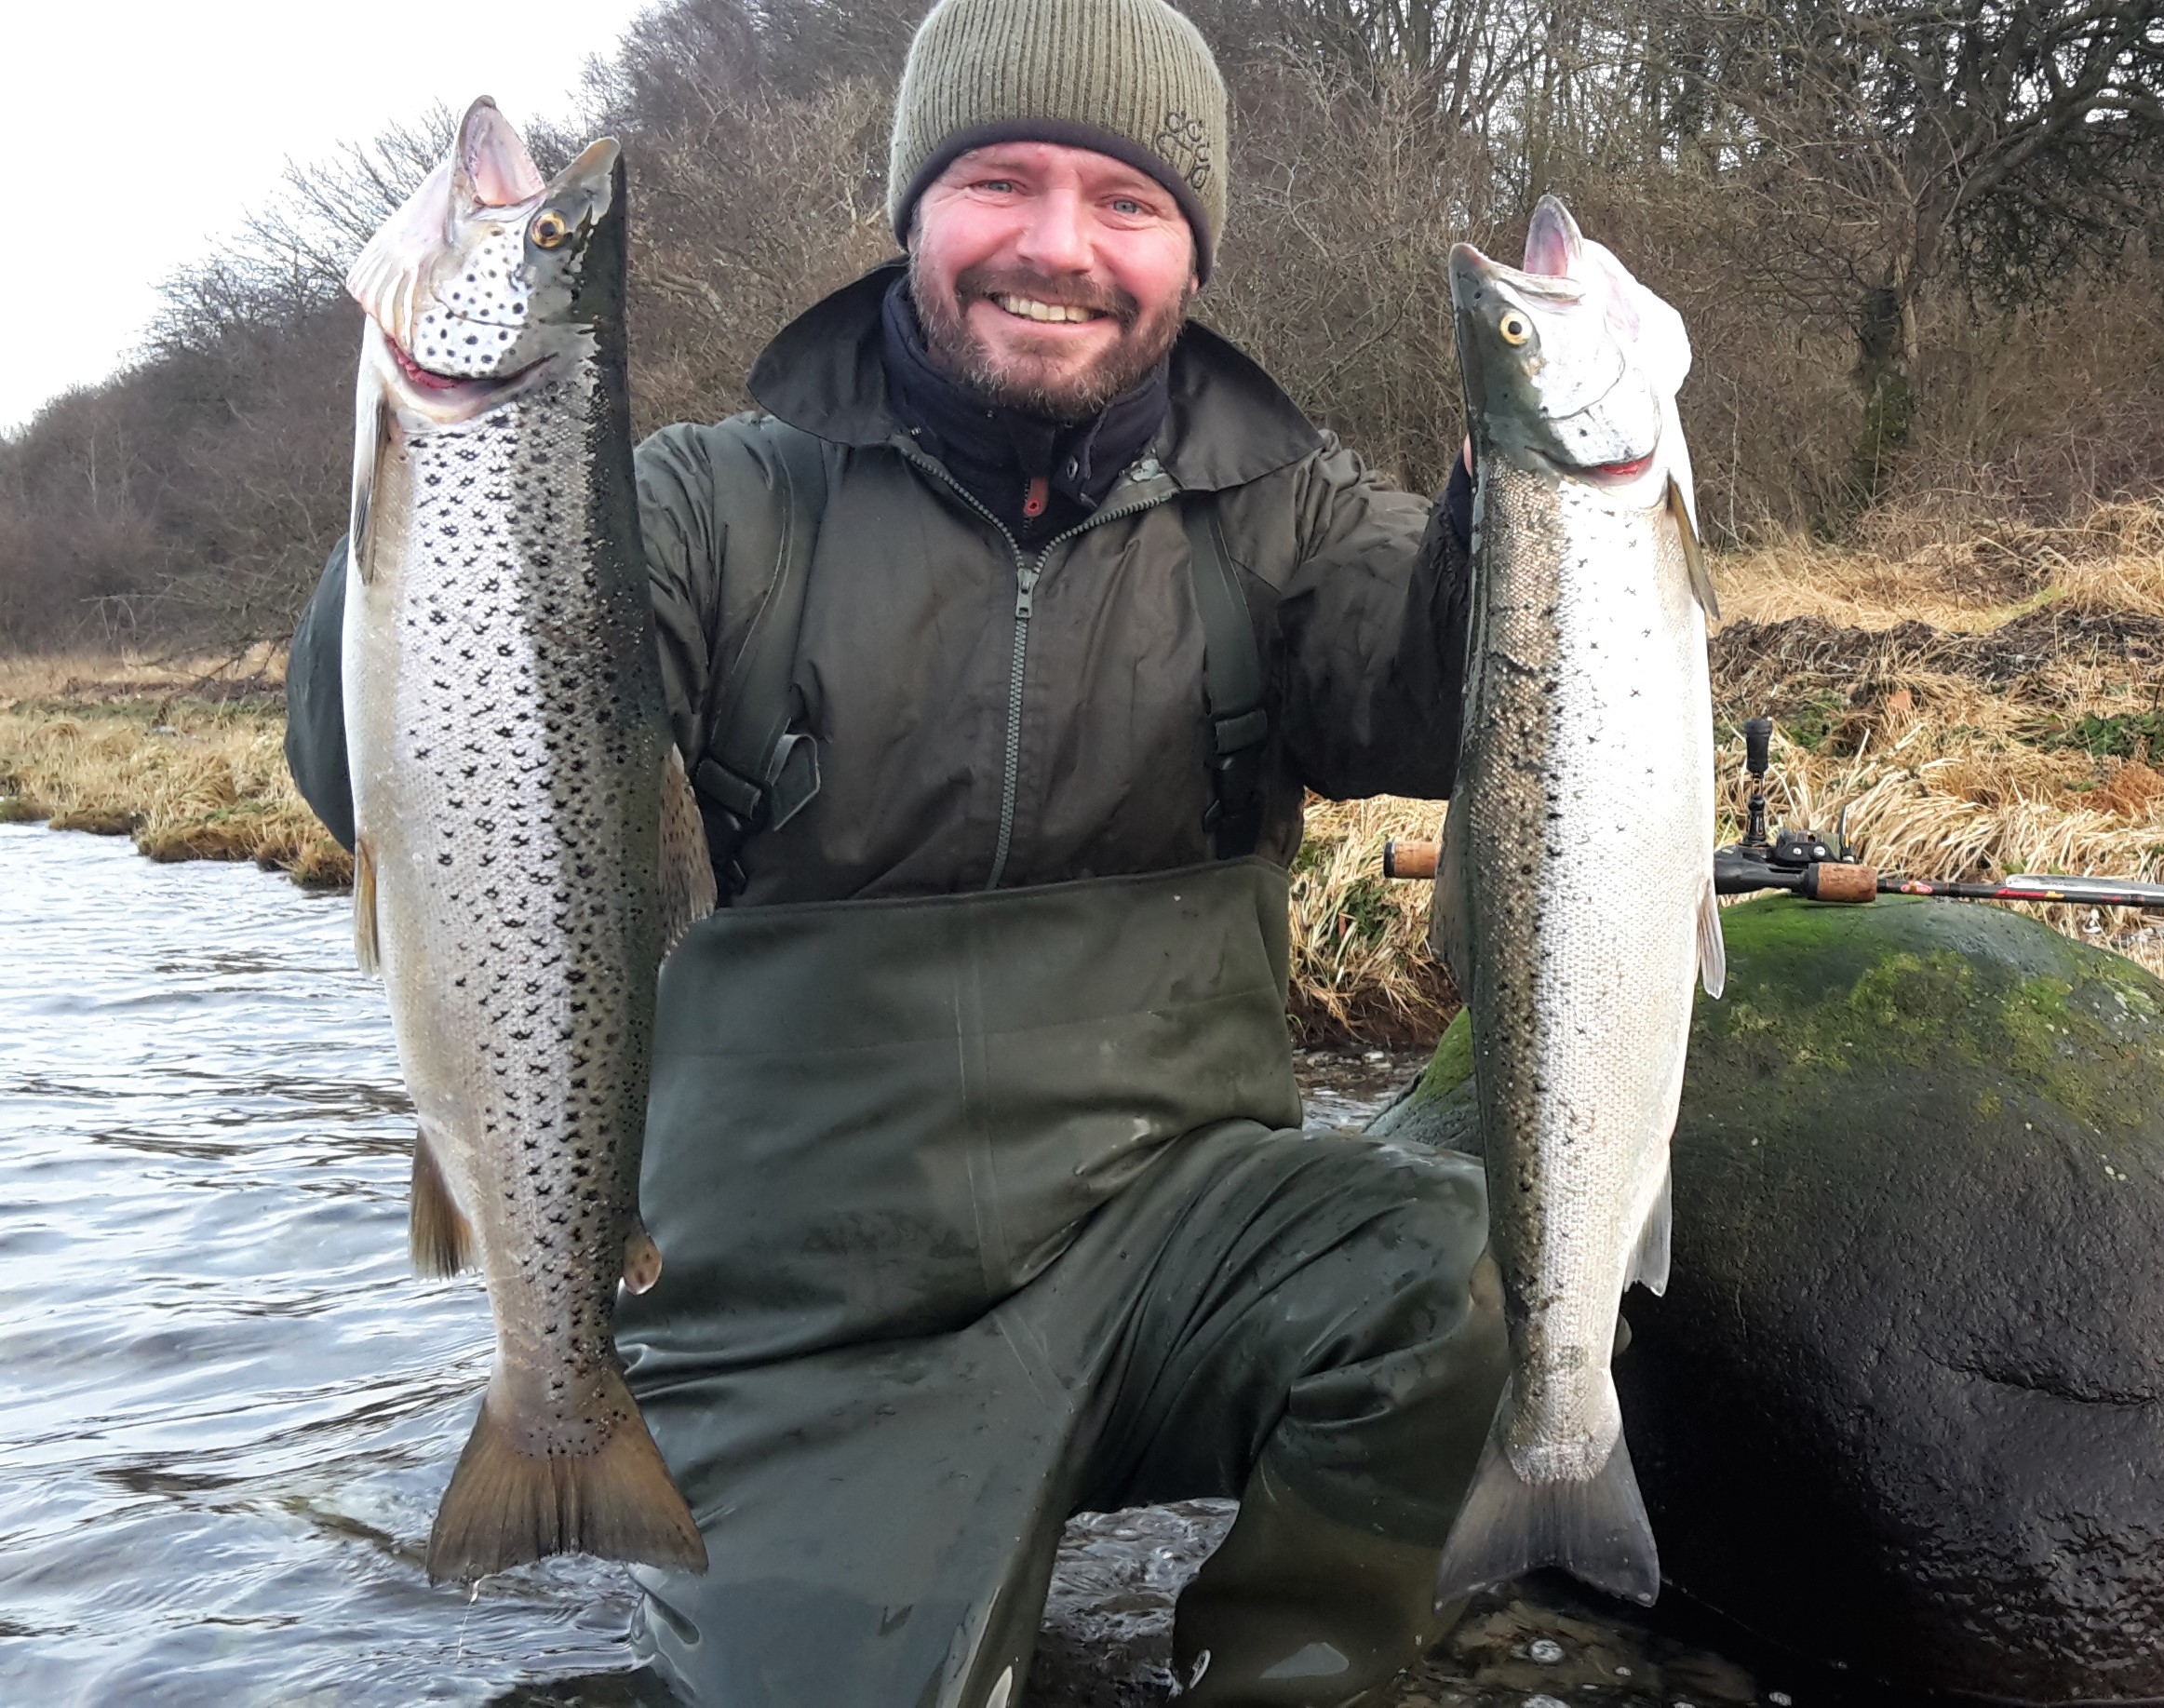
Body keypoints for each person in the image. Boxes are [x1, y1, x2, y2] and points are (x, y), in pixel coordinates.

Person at [287, 2, 1540, 1701]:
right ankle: (585, 1433)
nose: (1057, 245)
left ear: (1191, 251)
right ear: (911, 212)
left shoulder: (1287, 515)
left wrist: (1524, 510)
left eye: (1126, 201)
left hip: (1172, 1246)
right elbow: (369, 781)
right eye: (1000, 182)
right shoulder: (694, 507)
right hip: (797, 1335)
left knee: (1453, 1271)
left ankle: (1292, 1668)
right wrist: (425, 489)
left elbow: (1428, 699)